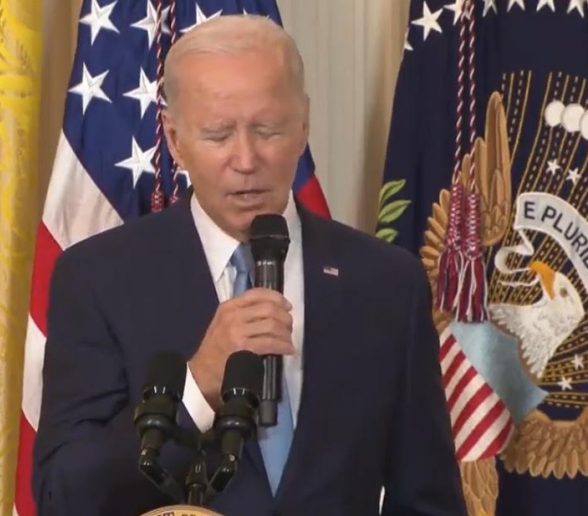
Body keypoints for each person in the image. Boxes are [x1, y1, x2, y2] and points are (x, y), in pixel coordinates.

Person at [33, 15, 466, 516]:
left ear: (303, 125)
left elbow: (428, 501)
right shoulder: (99, 280)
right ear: (174, 139)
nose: (246, 159)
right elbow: (64, 496)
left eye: (267, 129)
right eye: (218, 135)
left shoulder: (386, 283)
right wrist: (195, 388)